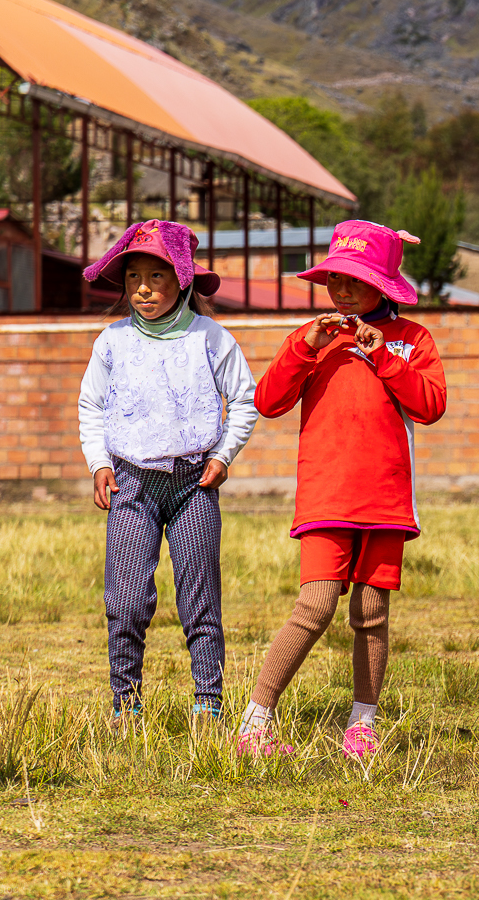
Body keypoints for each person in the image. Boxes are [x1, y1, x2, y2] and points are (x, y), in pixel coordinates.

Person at [240, 220, 448, 759]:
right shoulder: (314, 337)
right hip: (326, 494)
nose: (341, 289)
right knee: (314, 606)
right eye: (334, 278)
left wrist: (382, 357)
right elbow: (268, 401)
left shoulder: (412, 340)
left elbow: (430, 406)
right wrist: (304, 348)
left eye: (354, 279)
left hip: (385, 498)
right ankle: (254, 723)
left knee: (372, 613)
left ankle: (362, 725)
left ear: (383, 285)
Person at [78, 221, 258, 721]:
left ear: (181, 279)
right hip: (132, 485)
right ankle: (125, 705)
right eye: (133, 276)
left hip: (193, 484)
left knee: (199, 598)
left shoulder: (211, 337)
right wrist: (99, 462)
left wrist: (223, 455)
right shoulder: (112, 342)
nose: (141, 288)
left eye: (155, 277)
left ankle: (209, 704)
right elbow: (91, 405)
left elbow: (245, 400)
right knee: (127, 600)